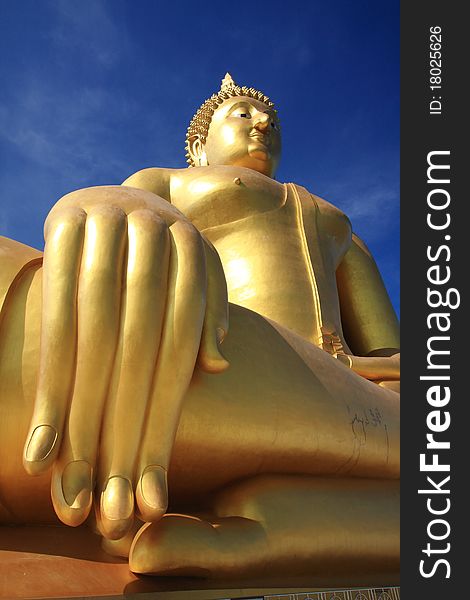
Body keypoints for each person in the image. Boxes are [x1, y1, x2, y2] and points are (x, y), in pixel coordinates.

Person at [0, 74, 399, 582]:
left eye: (271, 120)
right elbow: (125, 227)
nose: (262, 124)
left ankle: (309, 520)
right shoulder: (168, 183)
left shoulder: (339, 228)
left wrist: (364, 368)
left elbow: (398, 359)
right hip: (214, 348)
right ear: (198, 144)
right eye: (243, 114)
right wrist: (119, 207)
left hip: (347, 396)